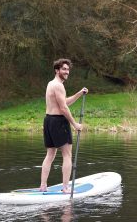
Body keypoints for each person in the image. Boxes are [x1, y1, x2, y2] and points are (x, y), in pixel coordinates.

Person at [40, 58, 88, 193]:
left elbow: (63, 102)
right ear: (57, 70)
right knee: (67, 155)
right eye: (64, 69)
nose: (67, 72)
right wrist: (75, 124)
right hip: (58, 122)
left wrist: (79, 93)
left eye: (68, 69)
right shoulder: (58, 86)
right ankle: (66, 188)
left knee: (50, 154)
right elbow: (63, 109)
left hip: (48, 120)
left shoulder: (51, 84)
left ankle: (43, 185)